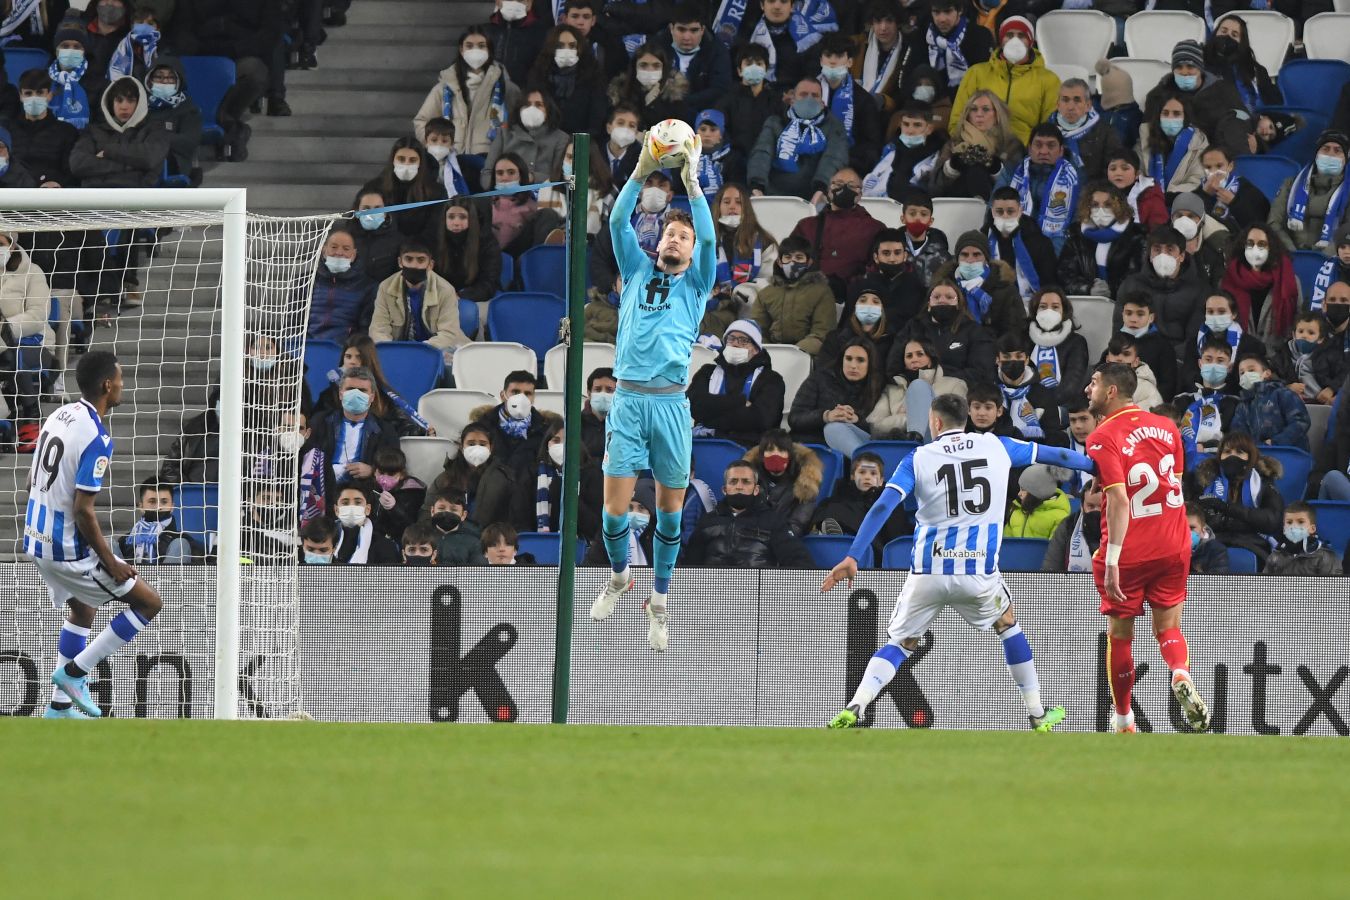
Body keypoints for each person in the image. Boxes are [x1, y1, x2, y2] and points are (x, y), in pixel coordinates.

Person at [823, 392, 1094, 732]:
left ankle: (855, 706)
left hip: (929, 573)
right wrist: (1096, 467)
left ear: (934, 422)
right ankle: (1038, 714)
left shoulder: (918, 458)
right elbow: (1062, 454)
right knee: (1007, 624)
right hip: (977, 572)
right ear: (967, 418)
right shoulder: (996, 446)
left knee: (900, 644)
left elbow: (882, 507)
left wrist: (852, 555)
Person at [589, 134, 713, 652]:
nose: (677, 239)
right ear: (657, 241)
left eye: (683, 235)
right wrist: (639, 171)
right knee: (613, 513)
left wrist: (692, 186)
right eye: (670, 233)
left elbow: (709, 241)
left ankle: (659, 599)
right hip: (629, 401)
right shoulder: (637, 271)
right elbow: (618, 223)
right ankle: (620, 577)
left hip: (670, 405)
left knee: (668, 514)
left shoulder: (697, 283)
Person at [26, 351, 165, 719]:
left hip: (34, 537)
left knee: (83, 610)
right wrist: (110, 563)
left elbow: (31, 479)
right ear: (107, 384)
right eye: (120, 378)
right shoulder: (98, 438)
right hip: (66, 548)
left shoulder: (59, 414)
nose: (122, 385)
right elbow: (82, 510)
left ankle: (58, 710)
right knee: (149, 603)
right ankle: (75, 674)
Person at [1083, 363, 1210, 734]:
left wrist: (1113, 559)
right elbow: (1175, 482)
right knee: (1169, 626)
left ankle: (1124, 718)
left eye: (1092, 383)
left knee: (1120, 635)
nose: (1086, 390)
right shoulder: (1168, 426)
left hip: (1129, 551)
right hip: (1174, 542)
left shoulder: (1102, 436)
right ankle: (1180, 671)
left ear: (1110, 391)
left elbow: (1120, 500)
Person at [413, 26, 520, 188]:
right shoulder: (444, 87)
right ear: (461, 50)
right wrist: (436, 144)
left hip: (489, 165)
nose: (475, 50)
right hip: (451, 164)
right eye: (469, 46)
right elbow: (422, 121)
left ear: (490, 50)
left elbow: (518, 125)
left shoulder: (507, 88)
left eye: (481, 45)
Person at [683, 460, 814, 568]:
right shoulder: (708, 521)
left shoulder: (773, 521)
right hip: (712, 593)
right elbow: (689, 565)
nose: (739, 486)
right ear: (724, 490)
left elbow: (799, 561)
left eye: (746, 482)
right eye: (733, 482)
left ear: (756, 489)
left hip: (758, 594)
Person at [949, 16, 1058, 146]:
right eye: (1009, 35)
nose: (1015, 40)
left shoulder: (1048, 80)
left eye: (1021, 35)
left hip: (1022, 149)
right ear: (1001, 40)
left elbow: (1050, 128)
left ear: (1030, 42)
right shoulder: (976, 73)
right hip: (977, 146)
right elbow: (957, 120)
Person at [309, 366, 401, 507]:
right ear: (340, 394)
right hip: (323, 492)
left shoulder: (386, 430)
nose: (356, 394)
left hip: (365, 496)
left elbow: (394, 467)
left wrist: (372, 470)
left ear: (372, 397)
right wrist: (326, 470)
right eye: (350, 389)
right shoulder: (319, 422)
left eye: (362, 390)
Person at [368, 239, 471, 365]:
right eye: (409, 259)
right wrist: (393, 352)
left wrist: (419, 351)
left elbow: (448, 334)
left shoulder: (445, 290)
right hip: (399, 351)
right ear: (400, 262)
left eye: (421, 260)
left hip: (436, 349)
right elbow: (378, 330)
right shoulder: (385, 287)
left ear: (430, 265)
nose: (414, 265)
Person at [1187, 431, 1284, 564]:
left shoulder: (1262, 481)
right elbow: (1194, 517)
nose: (1232, 456)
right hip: (1211, 542)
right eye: (1227, 452)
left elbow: (1272, 520)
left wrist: (1225, 508)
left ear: (1250, 457)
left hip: (1253, 544)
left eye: (1239, 452)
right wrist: (1240, 522)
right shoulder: (1206, 479)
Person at [786, 166, 884, 296]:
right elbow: (787, 261)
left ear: (860, 195)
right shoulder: (807, 225)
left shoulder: (874, 228)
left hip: (852, 298)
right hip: (806, 295)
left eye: (851, 186)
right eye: (838, 184)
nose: (844, 189)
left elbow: (878, 270)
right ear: (828, 191)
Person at [1115, 226, 1208, 363]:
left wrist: (1164, 358)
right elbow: (1119, 331)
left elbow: (1194, 339)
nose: (1163, 255)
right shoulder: (1131, 285)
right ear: (1150, 255)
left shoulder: (1199, 290)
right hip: (1135, 360)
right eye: (1157, 250)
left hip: (1178, 363)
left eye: (1170, 250)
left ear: (1181, 256)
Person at [748, 77, 848, 202]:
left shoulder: (834, 126)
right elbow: (762, 153)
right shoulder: (775, 122)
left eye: (815, 95)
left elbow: (833, 158)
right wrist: (757, 185)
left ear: (822, 104)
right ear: (792, 100)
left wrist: (821, 188)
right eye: (803, 94)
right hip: (773, 194)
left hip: (815, 197)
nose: (809, 99)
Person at [688, 320, 786, 447]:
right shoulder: (707, 372)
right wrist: (740, 402)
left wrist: (711, 415)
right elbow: (693, 406)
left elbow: (762, 420)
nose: (735, 344)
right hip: (706, 443)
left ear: (756, 349)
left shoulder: (771, 379)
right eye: (731, 338)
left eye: (743, 340)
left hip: (749, 448)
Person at [68, 75, 169, 188]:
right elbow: (78, 164)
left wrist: (108, 151)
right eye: (119, 100)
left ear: (140, 103)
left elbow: (150, 158)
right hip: (96, 198)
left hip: (136, 198)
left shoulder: (154, 129)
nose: (124, 107)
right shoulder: (93, 131)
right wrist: (131, 165)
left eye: (131, 101)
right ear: (111, 104)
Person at [789, 336, 885, 455]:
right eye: (848, 359)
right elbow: (795, 419)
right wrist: (826, 416)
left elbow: (875, 431)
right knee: (833, 427)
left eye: (860, 360)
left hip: (848, 448)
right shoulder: (819, 379)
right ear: (842, 360)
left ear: (870, 364)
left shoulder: (876, 386)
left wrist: (856, 420)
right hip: (812, 446)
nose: (853, 365)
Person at [891, 278, 994, 385]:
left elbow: (981, 371)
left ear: (958, 303)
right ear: (929, 304)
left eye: (949, 297)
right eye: (936, 297)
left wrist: (938, 378)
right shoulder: (913, 326)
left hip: (959, 393)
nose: (942, 300)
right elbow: (894, 364)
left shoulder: (974, 330)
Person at [994, 123, 1079, 254]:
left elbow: (1076, 226)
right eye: (1038, 145)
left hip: (1056, 252)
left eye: (1051, 146)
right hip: (1011, 245)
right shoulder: (1011, 173)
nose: (1044, 151)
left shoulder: (1075, 179)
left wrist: (1050, 258)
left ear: (1061, 150)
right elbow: (993, 210)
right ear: (1029, 149)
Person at [925, 89, 1021, 200]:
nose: (979, 114)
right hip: (955, 203)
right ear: (967, 114)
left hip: (994, 207)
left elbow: (1016, 186)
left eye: (985, 109)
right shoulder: (954, 143)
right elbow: (934, 188)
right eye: (973, 109)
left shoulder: (1011, 145)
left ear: (997, 114)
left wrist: (995, 167)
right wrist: (953, 166)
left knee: (977, 171)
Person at [512, 420, 603, 537]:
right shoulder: (531, 474)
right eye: (556, 440)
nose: (562, 446)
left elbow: (595, 524)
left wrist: (567, 491)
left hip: (580, 544)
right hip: (539, 545)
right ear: (547, 445)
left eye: (567, 441)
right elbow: (519, 517)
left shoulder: (591, 475)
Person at [751, 235, 836, 356]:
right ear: (780, 262)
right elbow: (757, 330)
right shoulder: (766, 293)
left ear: (809, 262)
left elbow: (822, 333)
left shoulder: (822, 292)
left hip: (807, 356)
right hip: (771, 354)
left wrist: (792, 354)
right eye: (788, 257)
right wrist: (769, 352)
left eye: (799, 257)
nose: (793, 262)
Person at [1056, 182, 1143, 299]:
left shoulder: (1136, 236)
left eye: (1108, 205)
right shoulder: (1076, 237)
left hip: (1124, 307)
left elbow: (1137, 276)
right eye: (1095, 205)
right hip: (1086, 306)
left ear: (1120, 206)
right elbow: (1065, 276)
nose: (1101, 210)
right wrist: (1088, 289)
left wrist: (1110, 290)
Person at [1269, 130, 1349, 253]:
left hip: (1331, 260)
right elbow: (1273, 224)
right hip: (1291, 256)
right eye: (1325, 149)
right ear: (1316, 154)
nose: (1330, 155)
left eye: (1337, 150)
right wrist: (1292, 254)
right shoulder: (1291, 185)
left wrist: (1319, 260)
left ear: (1346, 158)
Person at [933, 230, 1025, 338]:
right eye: (964, 255)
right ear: (957, 259)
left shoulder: (1005, 289)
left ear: (986, 259)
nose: (970, 260)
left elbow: (1015, 331)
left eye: (977, 255)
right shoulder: (942, 287)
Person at [1220, 224, 1298, 351]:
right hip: (1239, 355)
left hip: (1276, 357)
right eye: (1250, 243)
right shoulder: (1229, 279)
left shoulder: (1288, 279)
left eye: (1261, 244)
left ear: (1271, 247)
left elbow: (1297, 321)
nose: (1255, 249)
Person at [872, 337, 965, 441]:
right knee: (849, 428)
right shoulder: (891, 389)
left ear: (931, 359)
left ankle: (918, 444)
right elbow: (876, 425)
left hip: (938, 445)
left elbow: (955, 421)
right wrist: (911, 418)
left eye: (920, 354)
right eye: (909, 356)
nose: (914, 359)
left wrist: (906, 417)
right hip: (898, 444)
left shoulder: (955, 384)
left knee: (918, 385)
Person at [526, 23, 608, 138]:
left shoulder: (593, 77)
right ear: (551, 48)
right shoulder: (538, 76)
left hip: (581, 142)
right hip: (544, 141)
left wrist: (576, 143)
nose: (566, 50)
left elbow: (596, 122)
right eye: (560, 46)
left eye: (572, 46)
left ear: (579, 48)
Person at [481, 88, 568, 189]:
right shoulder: (504, 134)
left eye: (538, 105)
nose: (532, 109)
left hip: (542, 198)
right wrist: (501, 188)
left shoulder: (561, 139)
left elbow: (560, 179)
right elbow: (486, 174)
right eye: (527, 104)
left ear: (548, 110)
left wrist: (531, 177)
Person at [984, 187, 1057, 307]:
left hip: (1033, 305)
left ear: (1020, 211)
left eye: (1010, 211)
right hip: (993, 306)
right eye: (999, 211)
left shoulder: (1040, 243)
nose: (1005, 216)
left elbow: (1050, 284)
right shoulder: (983, 241)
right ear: (992, 212)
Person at [909, 0, 993, 97]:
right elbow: (910, 76)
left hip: (969, 102)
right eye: (936, 12)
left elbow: (983, 80)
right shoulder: (923, 36)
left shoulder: (979, 36)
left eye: (947, 11)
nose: (942, 19)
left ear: (960, 10)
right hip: (931, 103)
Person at [994, 332, 1067, 445]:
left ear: (1027, 360)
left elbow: (1053, 433)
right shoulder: (990, 390)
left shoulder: (1043, 393)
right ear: (997, 360)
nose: (1013, 361)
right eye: (1007, 357)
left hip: (1034, 455)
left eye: (1018, 356)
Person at [863, 103, 947, 201]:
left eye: (917, 125)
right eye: (906, 124)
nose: (910, 131)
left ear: (929, 129)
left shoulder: (936, 156)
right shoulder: (891, 148)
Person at [429, 196, 502, 307]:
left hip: (477, 299)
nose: (456, 223)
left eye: (462, 217)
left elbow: (488, 284)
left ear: (471, 219)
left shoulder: (487, 243)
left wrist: (461, 296)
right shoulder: (435, 241)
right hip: (442, 298)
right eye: (451, 217)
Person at [307, 225, 376, 343]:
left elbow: (365, 327)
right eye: (334, 247)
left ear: (354, 254)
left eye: (346, 249)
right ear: (324, 251)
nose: (339, 253)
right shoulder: (305, 281)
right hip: (307, 346)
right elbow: (292, 321)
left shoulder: (368, 286)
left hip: (346, 349)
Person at [1176, 336, 1241, 459]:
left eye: (1220, 360)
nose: (1213, 365)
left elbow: (1236, 439)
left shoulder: (1235, 403)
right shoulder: (1181, 400)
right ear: (1200, 364)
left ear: (1230, 367)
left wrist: (1206, 447)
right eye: (1208, 359)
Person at [714, 43, 781, 161]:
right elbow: (721, 134)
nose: (754, 67)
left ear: (766, 69)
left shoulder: (776, 100)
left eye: (759, 63)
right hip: (734, 162)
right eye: (748, 64)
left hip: (768, 161)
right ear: (739, 70)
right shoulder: (727, 101)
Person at [1232, 353, 1311, 451]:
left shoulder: (1283, 394)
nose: (1246, 374)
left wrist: (1275, 443)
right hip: (1257, 456)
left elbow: (1300, 421)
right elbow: (1238, 434)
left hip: (1290, 453)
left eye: (1251, 370)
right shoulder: (1242, 405)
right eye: (1242, 373)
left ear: (1267, 373)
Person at [141, 58, 202, 184]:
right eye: (158, 77)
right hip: (139, 156)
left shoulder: (188, 108)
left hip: (173, 161)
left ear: (178, 81)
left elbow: (190, 141)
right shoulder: (139, 105)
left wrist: (159, 137)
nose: (164, 81)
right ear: (150, 80)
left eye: (170, 78)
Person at [606, 42, 692, 131]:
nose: (650, 70)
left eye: (656, 66)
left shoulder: (675, 96)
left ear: (664, 69)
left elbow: (677, 132)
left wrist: (652, 105)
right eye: (643, 65)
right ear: (635, 67)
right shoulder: (621, 92)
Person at [1027, 290, 1089, 408]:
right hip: (1026, 405)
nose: (1049, 311)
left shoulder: (1076, 342)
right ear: (1035, 310)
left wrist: (1046, 405)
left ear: (1063, 311)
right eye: (1043, 307)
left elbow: (1072, 383)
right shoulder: (1024, 339)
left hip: (1062, 407)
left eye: (1055, 307)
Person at [819, 281, 897, 374]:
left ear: (882, 310)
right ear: (854, 307)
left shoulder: (891, 343)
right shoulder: (835, 339)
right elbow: (823, 373)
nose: (869, 305)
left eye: (875, 302)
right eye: (863, 300)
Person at [1138, 95, 1207, 198]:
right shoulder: (1145, 138)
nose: (1170, 118)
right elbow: (1137, 174)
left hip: (1182, 203)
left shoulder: (1198, 143)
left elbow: (1197, 182)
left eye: (1176, 114)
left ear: (1186, 117)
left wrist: (1166, 196)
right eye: (1165, 113)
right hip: (1149, 201)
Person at [1052, 77, 1120, 180]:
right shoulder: (1047, 130)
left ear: (1088, 105)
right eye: (1065, 100)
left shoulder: (1105, 133)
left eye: (1077, 100)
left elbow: (1111, 172)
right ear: (1058, 105)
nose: (1070, 107)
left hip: (1091, 191)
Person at [117, 481, 199, 565]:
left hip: (168, 577)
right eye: (152, 502)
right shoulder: (125, 540)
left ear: (172, 507)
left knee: (180, 544)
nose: (158, 507)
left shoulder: (186, 540)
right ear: (141, 507)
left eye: (164, 502)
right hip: (130, 577)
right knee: (109, 544)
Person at [1270, 312, 1343, 406]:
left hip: (1322, 403)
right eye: (1300, 331)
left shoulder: (1330, 355)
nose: (1304, 336)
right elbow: (1271, 377)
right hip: (1291, 404)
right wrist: (1287, 387)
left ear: (1320, 338)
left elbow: (1342, 375)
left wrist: (1332, 389)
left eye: (1311, 333)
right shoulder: (1282, 355)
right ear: (1294, 334)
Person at [1115, 293, 1179, 400]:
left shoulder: (1163, 346)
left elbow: (1168, 386)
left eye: (1140, 314)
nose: (1133, 319)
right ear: (1122, 315)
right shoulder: (1116, 340)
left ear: (1151, 318)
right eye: (1128, 313)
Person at [1194, 144, 1268, 233]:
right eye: (1208, 167)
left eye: (1219, 166)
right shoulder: (1199, 193)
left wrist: (1234, 202)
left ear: (1230, 166)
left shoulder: (1246, 189)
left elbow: (1260, 224)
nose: (1213, 172)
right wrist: (1205, 196)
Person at [1264, 502, 1343, 576]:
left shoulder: (1326, 557)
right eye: (1289, 522)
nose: (1293, 527)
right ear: (1284, 529)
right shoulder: (1275, 556)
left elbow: (1333, 588)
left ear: (1312, 529)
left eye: (1300, 522)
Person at [1042, 477, 1102, 573]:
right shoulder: (1067, 525)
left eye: (1102, 506)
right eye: (1090, 506)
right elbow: (1051, 568)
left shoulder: (1126, 527)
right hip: (1071, 587)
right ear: (1082, 506)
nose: (1096, 511)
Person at [333, 482, 401, 565]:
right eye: (345, 503)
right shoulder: (326, 539)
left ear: (367, 509)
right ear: (336, 510)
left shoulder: (385, 546)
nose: (351, 507)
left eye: (358, 502)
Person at [1105, 148, 1168, 231]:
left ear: (1137, 174)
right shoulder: (1100, 194)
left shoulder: (1150, 194)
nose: (1118, 173)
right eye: (1113, 169)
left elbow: (1159, 229)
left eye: (1125, 168)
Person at [1007, 464, 1072, 540]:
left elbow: (1055, 549)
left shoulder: (1060, 517)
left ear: (1038, 492)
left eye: (1024, 489)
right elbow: (1006, 544)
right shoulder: (1016, 510)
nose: (1019, 494)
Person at [428, 490, 486, 564]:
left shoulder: (474, 542)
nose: (447, 513)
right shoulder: (421, 536)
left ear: (463, 515)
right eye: (441, 508)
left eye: (453, 510)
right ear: (432, 511)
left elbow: (478, 571)